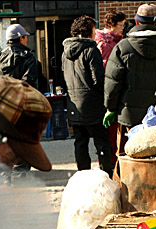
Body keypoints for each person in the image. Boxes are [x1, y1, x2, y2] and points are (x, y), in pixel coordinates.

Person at [103, 3, 156, 160]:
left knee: (128, 157)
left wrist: (110, 108)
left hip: (129, 117)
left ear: (137, 22)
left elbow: (113, 83)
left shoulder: (123, 48)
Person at [0, 23, 38, 178]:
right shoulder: (28, 58)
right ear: (20, 38)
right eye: (25, 37)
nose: (26, 39)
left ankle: (3, 173)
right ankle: (19, 175)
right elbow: (29, 84)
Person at [62, 15, 113, 178]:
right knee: (102, 143)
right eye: (94, 29)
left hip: (73, 104)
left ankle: (82, 177)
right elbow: (98, 80)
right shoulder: (92, 50)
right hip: (92, 104)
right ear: (88, 31)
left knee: (80, 142)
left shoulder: (65, 53)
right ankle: (107, 175)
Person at [95, 9, 126, 166]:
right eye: (121, 25)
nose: (123, 28)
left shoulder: (110, 41)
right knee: (111, 137)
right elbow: (110, 74)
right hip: (110, 96)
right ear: (112, 25)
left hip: (106, 96)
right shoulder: (108, 44)